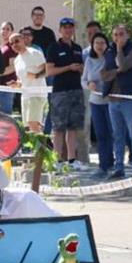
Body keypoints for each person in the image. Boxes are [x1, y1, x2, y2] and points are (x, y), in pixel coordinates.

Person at [102, 25, 132, 177]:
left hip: (129, 98)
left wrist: (120, 50)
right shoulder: (109, 51)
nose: (118, 38)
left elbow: (123, 65)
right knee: (117, 135)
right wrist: (117, 71)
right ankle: (118, 167)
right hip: (113, 99)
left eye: (121, 34)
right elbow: (104, 75)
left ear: (128, 35)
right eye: (115, 35)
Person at [45, 18, 86, 170]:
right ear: (60, 30)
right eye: (65, 27)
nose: (68, 30)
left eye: (70, 27)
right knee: (58, 128)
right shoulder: (54, 47)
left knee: (73, 127)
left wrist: (80, 69)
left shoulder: (77, 48)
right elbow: (49, 71)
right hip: (60, 92)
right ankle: (57, 161)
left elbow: (83, 69)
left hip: (76, 90)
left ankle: (72, 160)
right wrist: (68, 67)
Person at [82, 32, 116, 178]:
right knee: (101, 135)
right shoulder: (89, 60)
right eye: (96, 43)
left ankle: (114, 162)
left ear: (106, 44)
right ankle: (103, 165)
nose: (99, 46)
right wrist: (89, 85)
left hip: (110, 101)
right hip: (95, 102)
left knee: (112, 133)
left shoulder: (110, 59)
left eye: (102, 43)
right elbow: (83, 80)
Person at [9, 30, 47, 135]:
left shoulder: (34, 53)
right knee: (28, 128)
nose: (14, 45)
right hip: (25, 95)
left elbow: (46, 69)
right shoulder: (17, 60)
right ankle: (42, 149)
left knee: (33, 124)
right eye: (11, 43)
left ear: (22, 40)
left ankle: (43, 151)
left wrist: (35, 75)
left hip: (37, 93)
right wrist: (16, 84)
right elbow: (21, 80)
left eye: (16, 41)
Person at [0, 22, 18, 116]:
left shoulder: (11, 47)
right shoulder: (2, 47)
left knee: (5, 115)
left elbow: (13, 66)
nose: (5, 31)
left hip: (8, 86)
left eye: (8, 29)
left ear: (12, 32)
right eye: (3, 29)